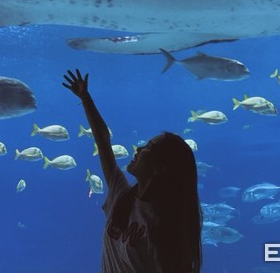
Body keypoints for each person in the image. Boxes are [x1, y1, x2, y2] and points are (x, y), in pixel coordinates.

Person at [62, 69, 202, 273]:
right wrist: (85, 98)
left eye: (148, 148)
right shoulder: (122, 196)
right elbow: (102, 140)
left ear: (160, 168)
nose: (138, 149)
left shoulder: (167, 227)